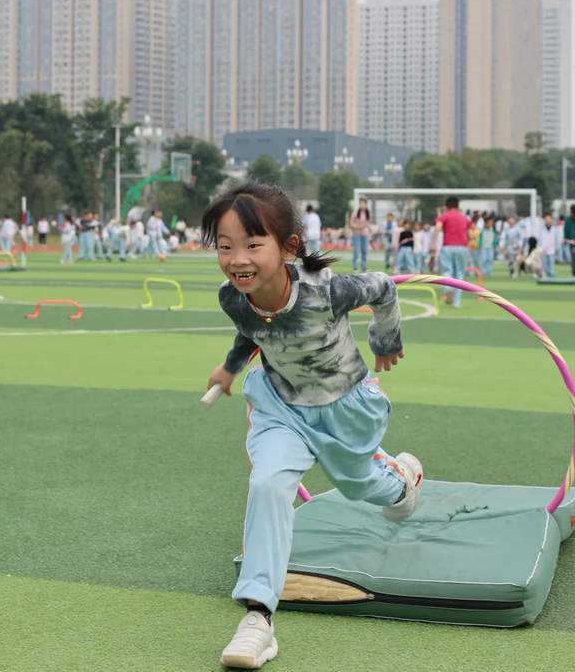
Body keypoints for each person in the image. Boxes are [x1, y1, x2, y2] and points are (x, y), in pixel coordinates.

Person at [202, 182, 422, 669]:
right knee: (267, 483)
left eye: (253, 245)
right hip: (282, 405)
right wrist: (230, 369)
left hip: (344, 405)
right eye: (225, 246)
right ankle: (258, 617)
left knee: (361, 484)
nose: (237, 258)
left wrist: (385, 339)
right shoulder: (231, 297)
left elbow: (384, 287)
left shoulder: (325, 289)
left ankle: (402, 481)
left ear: (289, 248)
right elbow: (252, 331)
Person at [433, 197, 471, 307]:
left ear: (446, 206)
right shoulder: (464, 217)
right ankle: (457, 302)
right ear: (458, 206)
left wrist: (433, 243)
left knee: (447, 270)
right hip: (462, 247)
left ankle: (448, 287)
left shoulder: (444, 216)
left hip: (448, 247)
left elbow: (437, 227)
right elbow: (470, 232)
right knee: (459, 274)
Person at [350, 201, 371, 272]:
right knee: (356, 251)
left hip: (365, 234)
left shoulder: (367, 213)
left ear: (366, 205)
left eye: (364, 204)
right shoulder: (355, 213)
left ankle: (363, 267)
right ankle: (355, 268)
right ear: (359, 205)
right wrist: (357, 227)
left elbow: (368, 223)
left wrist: (363, 226)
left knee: (364, 251)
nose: (362, 205)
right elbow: (351, 223)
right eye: (361, 204)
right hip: (357, 234)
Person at [538, 213, 559, 279]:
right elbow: (539, 238)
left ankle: (552, 276)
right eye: (546, 219)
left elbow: (557, 239)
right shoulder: (541, 228)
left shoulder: (554, 229)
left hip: (552, 249)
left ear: (551, 219)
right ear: (544, 220)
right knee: (544, 264)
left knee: (551, 264)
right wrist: (540, 247)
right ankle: (545, 276)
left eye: (549, 219)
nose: (547, 220)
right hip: (543, 249)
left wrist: (557, 248)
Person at [564, 205, 575, 277]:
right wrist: (567, 240)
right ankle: (573, 274)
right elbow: (566, 234)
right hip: (572, 244)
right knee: (573, 260)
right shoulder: (568, 220)